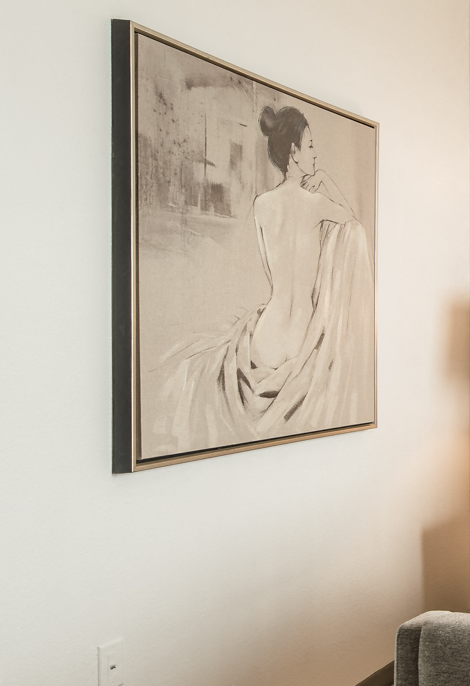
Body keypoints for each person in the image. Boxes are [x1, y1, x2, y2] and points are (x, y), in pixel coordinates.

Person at [158, 103, 374, 453]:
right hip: (302, 335)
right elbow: (354, 228)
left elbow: (268, 266)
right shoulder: (316, 204)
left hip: (266, 338)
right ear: (294, 151)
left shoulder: (261, 205)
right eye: (311, 146)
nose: (316, 154)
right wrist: (329, 184)